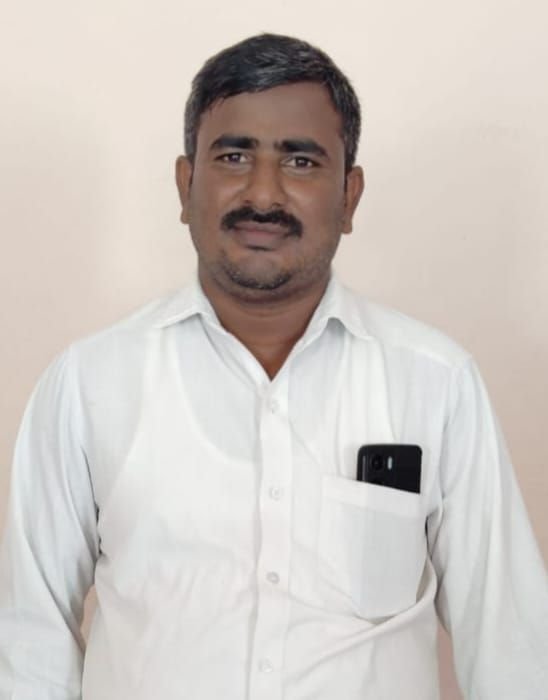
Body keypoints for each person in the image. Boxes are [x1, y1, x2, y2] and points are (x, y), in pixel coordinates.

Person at [0, 33, 546, 700]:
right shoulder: (88, 384)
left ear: (349, 196)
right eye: (233, 156)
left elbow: (512, 644)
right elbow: (29, 643)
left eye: (301, 161)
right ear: (185, 184)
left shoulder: (435, 383)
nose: (263, 193)